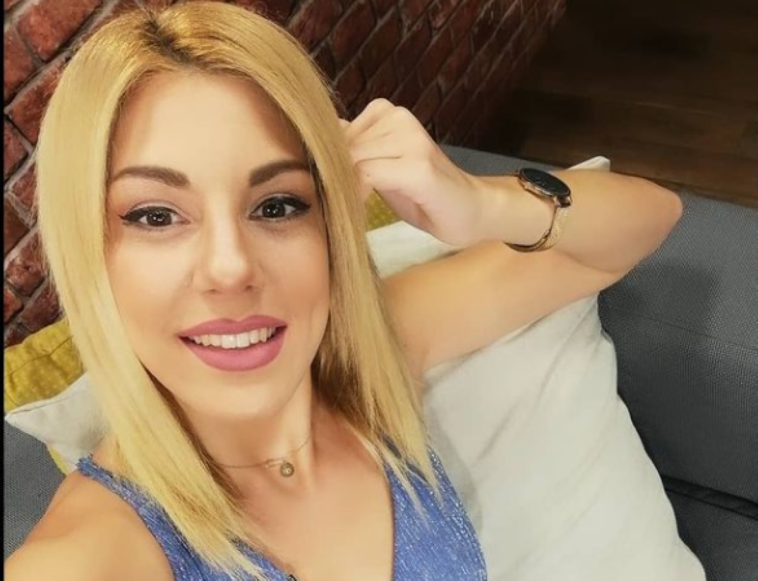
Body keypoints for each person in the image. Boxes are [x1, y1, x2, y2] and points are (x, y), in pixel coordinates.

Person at [4, 2, 684, 580]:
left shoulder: (374, 359)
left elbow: (648, 221)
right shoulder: (96, 552)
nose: (231, 268)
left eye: (277, 205)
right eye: (155, 216)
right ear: (89, 250)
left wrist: (479, 204)